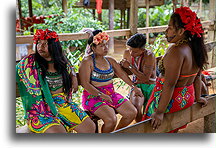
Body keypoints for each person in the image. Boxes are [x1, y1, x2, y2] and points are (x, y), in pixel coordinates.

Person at [16, 29, 95, 133]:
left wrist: (73, 76)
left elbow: (71, 71)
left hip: (63, 103)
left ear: (54, 46)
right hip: (41, 109)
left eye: (45, 44)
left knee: (90, 128)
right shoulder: (30, 62)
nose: (41, 46)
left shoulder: (62, 62)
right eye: (39, 43)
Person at [142, 7, 208, 132]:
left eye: (170, 27)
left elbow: (170, 84)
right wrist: (198, 97)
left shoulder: (176, 51)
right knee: (172, 130)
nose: (166, 30)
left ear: (181, 31)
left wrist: (160, 112)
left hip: (169, 102)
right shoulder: (195, 48)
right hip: (186, 98)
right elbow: (198, 77)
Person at [79, 30, 142, 133]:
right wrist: (101, 95)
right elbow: (85, 84)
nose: (106, 48)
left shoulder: (110, 60)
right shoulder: (87, 62)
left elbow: (122, 74)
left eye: (106, 45)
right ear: (93, 48)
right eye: (102, 46)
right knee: (111, 119)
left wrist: (134, 87)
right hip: (93, 96)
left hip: (111, 94)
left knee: (132, 112)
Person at [120, 33, 156, 122]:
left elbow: (145, 78)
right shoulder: (127, 53)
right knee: (136, 108)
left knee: (150, 114)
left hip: (151, 86)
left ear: (142, 50)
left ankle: (146, 131)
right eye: (130, 49)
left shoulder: (149, 55)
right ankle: (140, 130)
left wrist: (129, 67)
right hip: (137, 86)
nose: (131, 53)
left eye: (135, 51)